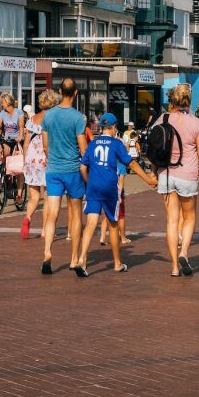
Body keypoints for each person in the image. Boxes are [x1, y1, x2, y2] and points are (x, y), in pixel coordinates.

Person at [76, 113, 156, 276]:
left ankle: (82, 259)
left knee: (91, 222)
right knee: (113, 224)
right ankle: (118, 263)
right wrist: (148, 179)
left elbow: (83, 168)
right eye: (115, 127)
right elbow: (131, 163)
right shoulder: (116, 143)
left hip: (94, 186)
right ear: (112, 127)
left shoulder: (93, 144)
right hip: (110, 187)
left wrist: (89, 182)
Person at [154, 83, 199, 277]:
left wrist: (154, 171)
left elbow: (154, 146)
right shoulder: (196, 123)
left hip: (166, 174)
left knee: (171, 221)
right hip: (187, 175)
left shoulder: (163, 118)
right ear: (188, 100)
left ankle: (174, 268)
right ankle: (184, 253)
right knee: (189, 217)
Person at [41, 79, 89, 275]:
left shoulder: (48, 115)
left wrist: (52, 157)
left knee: (52, 214)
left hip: (53, 170)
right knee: (76, 215)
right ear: (76, 93)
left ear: (60, 91)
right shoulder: (78, 118)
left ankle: (47, 253)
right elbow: (83, 147)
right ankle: (74, 258)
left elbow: (45, 145)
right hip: (72, 170)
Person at [21, 90, 54, 239]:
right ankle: (45, 230)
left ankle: (27, 218)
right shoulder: (53, 119)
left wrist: (24, 161)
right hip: (46, 160)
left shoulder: (32, 119)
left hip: (31, 160)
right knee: (47, 197)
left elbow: (26, 143)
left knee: (33, 197)